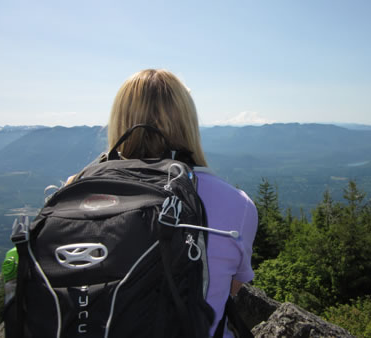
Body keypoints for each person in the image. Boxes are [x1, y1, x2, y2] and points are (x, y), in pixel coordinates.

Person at [106, 69, 258, 337]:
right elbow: (228, 290)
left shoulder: (76, 193)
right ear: (188, 121)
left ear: (119, 121)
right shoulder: (238, 206)